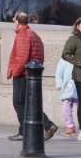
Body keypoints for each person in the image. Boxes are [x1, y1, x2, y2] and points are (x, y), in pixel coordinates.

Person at [5, 11, 54, 142]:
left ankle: (24, 132)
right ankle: (48, 126)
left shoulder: (23, 35)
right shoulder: (33, 34)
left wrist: (15, 72)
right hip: (31, 75)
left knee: (19, 103)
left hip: (23, 74)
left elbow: (22, 57)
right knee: (30, 104)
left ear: (17, 21)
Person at [54, 52, 77, 137]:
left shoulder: (80, 57)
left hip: (79, 86)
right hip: (67, 87)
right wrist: (59, 86)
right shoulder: (63, 60)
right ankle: (70, 126)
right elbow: (59, 73)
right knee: (66, 108)